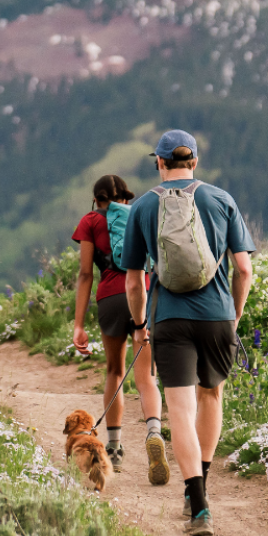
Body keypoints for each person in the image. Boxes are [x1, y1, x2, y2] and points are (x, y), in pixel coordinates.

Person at [121, 130, 255, 536]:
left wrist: (140, 325)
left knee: (178, 408)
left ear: (159, 163)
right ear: (194, 161)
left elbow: (132, 281)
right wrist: (232, 318)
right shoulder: (222, 200)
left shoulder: (142, 206)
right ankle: (204, 480)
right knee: (210, 395)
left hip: (170, 320)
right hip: (217, 316)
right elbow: (244, 269)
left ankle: (198, 506)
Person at [69, 174, 157, 466]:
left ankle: (115, 449)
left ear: (97, 200)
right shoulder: (140, 216)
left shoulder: (90, 222)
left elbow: (85, 274)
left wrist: (78, 324)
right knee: (145, 376)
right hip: (141, 293)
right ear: (126, 198)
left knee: (114, 372)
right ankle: (154, 431)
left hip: (109, 298)